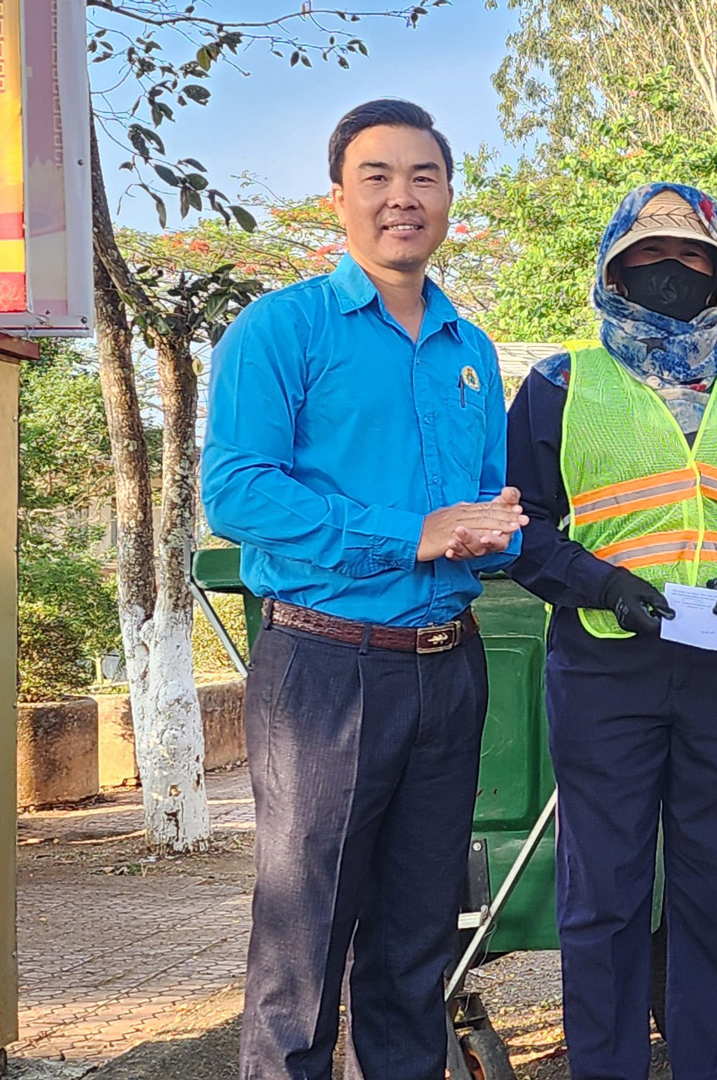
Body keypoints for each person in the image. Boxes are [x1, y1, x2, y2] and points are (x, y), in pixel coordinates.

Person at [203, 100, 526, 1080]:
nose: (401, 197)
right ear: (336, 197)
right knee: (302, 960)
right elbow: (237, 490)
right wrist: (411, 532)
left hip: (446, 672)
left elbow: (479, 511)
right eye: (377, 176)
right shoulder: (284, 330)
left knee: (413, 953)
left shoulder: (471, 352)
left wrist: (498, 532)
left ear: (449, 200)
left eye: (423, 177)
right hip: (325, 667)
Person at [503, 182, 717, 1080]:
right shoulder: (562, 383)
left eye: (692, 257)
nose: (671, 272)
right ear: (615, 266)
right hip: (606, 668)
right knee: (602, 892)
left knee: (710, 887)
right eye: (650, 256)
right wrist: (598, 582)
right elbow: (517, 526)